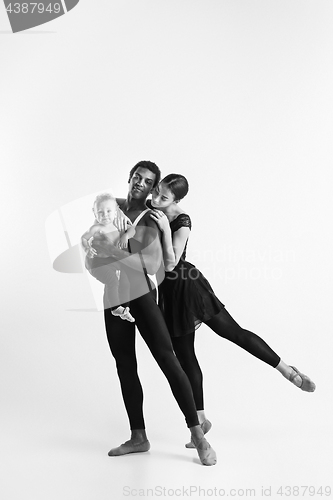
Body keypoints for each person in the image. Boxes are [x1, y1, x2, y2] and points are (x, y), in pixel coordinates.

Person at [149, 173, 316, 446]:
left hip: (186, 287)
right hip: (167, 291)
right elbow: (127, 205)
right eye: (156, 192)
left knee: (233, 332)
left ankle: (288, 371)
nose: (156, 198)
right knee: (185, 354)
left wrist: (165, 230)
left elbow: (170, 263)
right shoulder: (151, 207)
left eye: (163, 197)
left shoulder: (181, 221)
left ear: (176, 200)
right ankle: (201, 419)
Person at [89, 161, 217, 466]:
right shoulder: (111, 209)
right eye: (136, 177)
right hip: (113, 296)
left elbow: (146, 264)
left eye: (147, 181)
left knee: (166, 357)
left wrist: (112, 251)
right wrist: (95, 252)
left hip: (141, 294)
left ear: (153, 187)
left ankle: (198, 435)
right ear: (130, 178)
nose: (139, 183)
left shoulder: (150, 217)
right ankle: (138, 437)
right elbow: (95, 257)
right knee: (125, 364)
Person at [81, 192, 135, 322]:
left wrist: (125, 236)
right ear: (94, 213)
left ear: (116, 212)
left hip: (111, 261)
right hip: (96, 263)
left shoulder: (118, 225)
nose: (105, 215)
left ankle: (125, 309)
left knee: (126, 279)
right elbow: (83, 238)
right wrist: (87, 248)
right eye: (100, 212)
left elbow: (132, 229)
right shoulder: (96, 228)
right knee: (112, 281)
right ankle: (115, 308)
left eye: (108, 211)